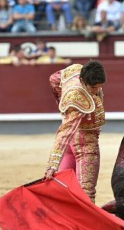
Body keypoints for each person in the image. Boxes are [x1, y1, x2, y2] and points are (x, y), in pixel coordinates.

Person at [45, 60, 106, 206]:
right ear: (82, 81)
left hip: (71, 144)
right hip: (86, 143)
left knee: (62, 188)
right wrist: (52, 165)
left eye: (100, 86)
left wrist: (60, 101)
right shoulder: (77, 99)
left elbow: (54, 78)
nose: (96, 91)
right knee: (86, 193)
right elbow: (64, 133)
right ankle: (84, 228)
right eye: (93, 87)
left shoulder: (76, 70)